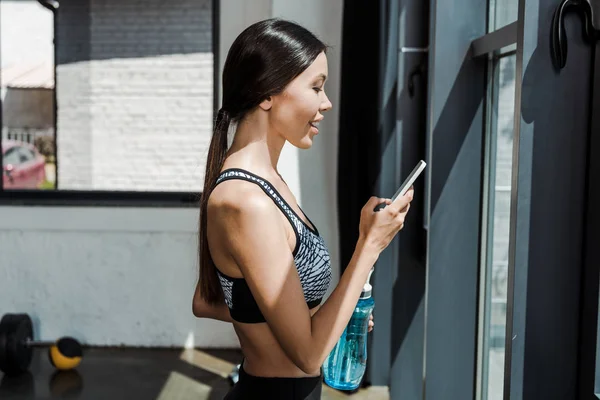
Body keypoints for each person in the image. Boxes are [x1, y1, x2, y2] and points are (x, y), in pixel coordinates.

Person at [192, 18, 414, 399]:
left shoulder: (266, 184)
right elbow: (310, 356)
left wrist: (317, 319)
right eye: (316, 87)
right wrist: (370, 244)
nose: (326, 102)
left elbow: (208, 301)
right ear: (266, 94)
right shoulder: (246, 202)